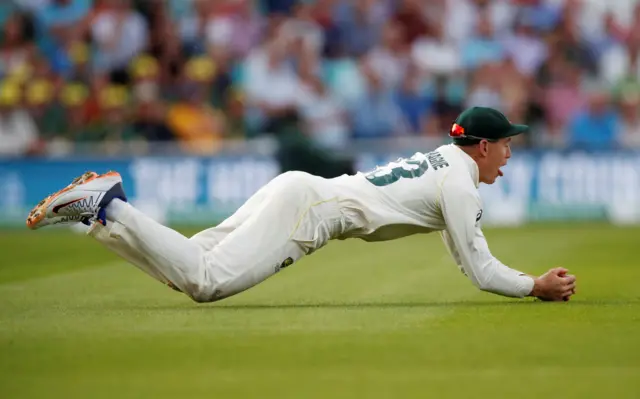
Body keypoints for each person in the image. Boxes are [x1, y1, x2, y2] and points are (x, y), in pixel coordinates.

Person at [26, 107, 577, 303]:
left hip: (304, 189)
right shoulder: (460, 184)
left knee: (185, 265)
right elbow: (478, 270)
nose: (508, 155)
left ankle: (98, 211)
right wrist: (536, 285)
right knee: (205, 281)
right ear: (481, 145)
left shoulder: (447, 161)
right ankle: (110, 206)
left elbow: (464, 255)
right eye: (506, 144)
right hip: (310, 210)